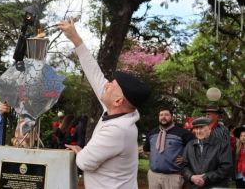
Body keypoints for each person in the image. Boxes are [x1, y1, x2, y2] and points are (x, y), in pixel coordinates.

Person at [59, 20, 151, 188]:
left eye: (111, 85)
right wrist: (76, 39)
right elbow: (95, 74)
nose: (106, 84)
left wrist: (81, 153)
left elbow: (85, 163)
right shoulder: (115, 112)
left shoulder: (118, 130)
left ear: (118, 101)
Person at [143, 108, 194, 189]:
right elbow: (146, 149)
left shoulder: (183, 133)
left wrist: (186, 158)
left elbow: (196, 149)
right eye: (161, 115)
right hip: (153, 176)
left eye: (166, 115)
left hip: (173, 177)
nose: (163, 117)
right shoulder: (152, 133)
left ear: (172, 117)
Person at [182, 117, 232, 189]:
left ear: (209, 128)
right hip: (194, 187)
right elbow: (184, 166)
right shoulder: (189, 145)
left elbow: (226, 168)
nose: (198, 131)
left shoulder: (222, 144)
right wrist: (191, 177)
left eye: (201, 128)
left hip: (216, 186)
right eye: (196, 128)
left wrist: (205, 178)